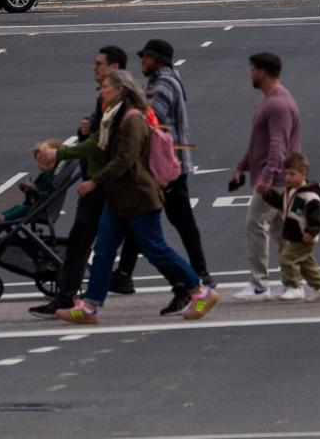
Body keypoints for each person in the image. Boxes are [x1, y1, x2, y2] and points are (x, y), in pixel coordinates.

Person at [57, 70, 219, 323]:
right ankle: (90, 306)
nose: (101, 92)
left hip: (138, 196)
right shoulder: (114, 117)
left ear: (120, 90)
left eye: (105, 87)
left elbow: (124, 159)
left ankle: (200, 290)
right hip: (120, 197)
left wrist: (95, 181)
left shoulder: (132, 119)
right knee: (103, 249)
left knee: (155, 248)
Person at [36, 46, 134, 318]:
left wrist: (64, 152)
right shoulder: (106, 100)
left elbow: (102, 145)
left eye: (99, 64)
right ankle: (76, 299)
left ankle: (190, 286)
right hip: (101, 182)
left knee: (90, 243)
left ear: (114, 68)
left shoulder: (118, 101)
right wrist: (85, 131)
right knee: (94, 246)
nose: (94, 68)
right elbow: (97, 138)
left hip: (104, 184)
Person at [130, 38, 215, 300]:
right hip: (169, 163)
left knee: (177, 220)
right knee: (144, 217)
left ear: (159, 60)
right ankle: (123, 273)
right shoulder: (161, 81)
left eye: (146, 57)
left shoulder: (164, 83)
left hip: (167, 166)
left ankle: (199, 274)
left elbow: (151, 119)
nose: (142, 61)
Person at [229, 52, 300, 298]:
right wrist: (242, 167)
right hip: (278, 178)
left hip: (277, 180)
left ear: (261, 72)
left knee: (255, 224)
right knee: (282, 232)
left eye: (252, 70)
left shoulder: (278, 104)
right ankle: (293, 283)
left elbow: (278, 147)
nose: (250, 75)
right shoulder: (270, 101)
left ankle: (260, 284)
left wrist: (266, 179)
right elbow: (258, 143)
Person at [261, 152, 320, 301]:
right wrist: (266, 193)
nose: (288, 178)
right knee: (306, 263)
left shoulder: (309, 196)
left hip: (303, 236)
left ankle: (293, 287)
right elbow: (281, 204)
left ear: (303, 173)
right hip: (295, 235)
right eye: (286, 174)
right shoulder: (291, 192)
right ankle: (319, 288)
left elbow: (315, 218)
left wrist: (311, 232)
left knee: (287, 259)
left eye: (292, 174)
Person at [0, 141, 62, 225]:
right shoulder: (48, 175)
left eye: (41, 163)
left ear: (52, 163)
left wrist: (31, 187)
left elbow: (42, 192)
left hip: (40, 207)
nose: (38, 166)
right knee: (17, 207)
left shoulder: (49, 177)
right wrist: (29, 188)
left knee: (23, 209)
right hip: (37, 205)